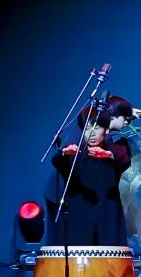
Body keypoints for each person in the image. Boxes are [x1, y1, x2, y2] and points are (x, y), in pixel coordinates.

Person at [49, 105, 131, 244]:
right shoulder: (75, 152)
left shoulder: (115, 150)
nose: (91, 133)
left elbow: (124, 160)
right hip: (80, 214)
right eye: (87, 129)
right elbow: (57, 162)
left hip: (108, 213)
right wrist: (63, 153)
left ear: (106, 130)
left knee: (109, 252)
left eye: (96, 128)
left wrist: (109, 155)